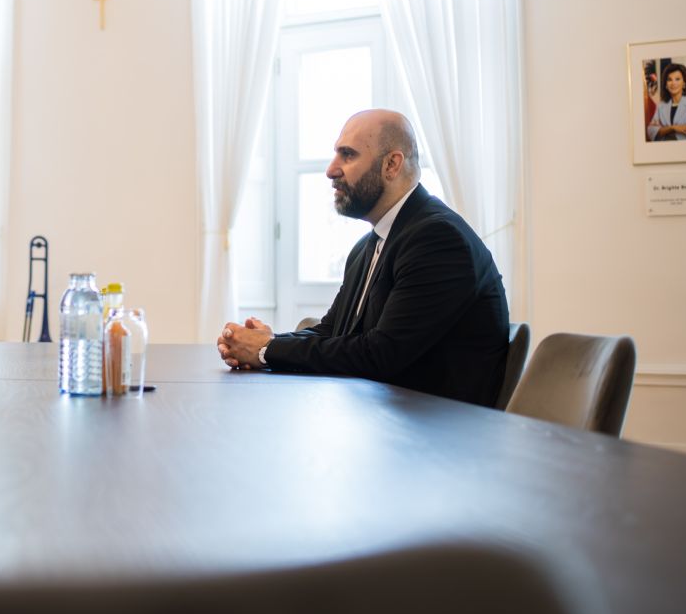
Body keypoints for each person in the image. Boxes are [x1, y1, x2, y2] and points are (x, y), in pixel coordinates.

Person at [215, 109, 509, 407]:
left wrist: (267, 349)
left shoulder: (437, 239)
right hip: (385, 417)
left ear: (391, 165)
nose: (331, 170)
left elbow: (380, 354)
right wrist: (268, 342)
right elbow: (334, 331)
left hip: (439, 433)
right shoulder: (371, 243)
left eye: (348, 155)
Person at [647, 63, 686, 141]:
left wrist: (663, 130)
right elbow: (651, 131)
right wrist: (673, 128)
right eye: (669, 80)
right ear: (666, 85)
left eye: (677, 79)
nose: (673, 83)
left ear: (684, 84)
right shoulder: (661, 106)